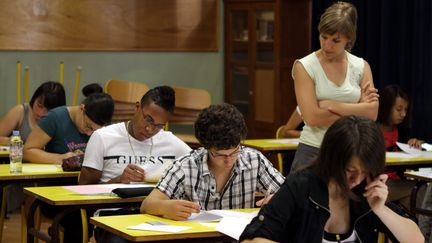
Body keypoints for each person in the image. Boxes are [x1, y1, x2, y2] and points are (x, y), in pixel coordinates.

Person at [239, 115, 424, 243]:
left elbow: (417, 239)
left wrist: (381, 210)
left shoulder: (366, 192)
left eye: (364, 171)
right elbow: (252, 239)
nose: (356, 179)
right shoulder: (301, 186)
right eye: (349, 170)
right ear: (332, 159)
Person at [141, 103, 285, 220]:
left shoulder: (253, 160)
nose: (229, 161)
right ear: (206, 147)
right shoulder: (186, 166)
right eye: (221, 155)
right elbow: (147, 204)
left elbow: (292, 194)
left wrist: (276, 199)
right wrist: (167, 208)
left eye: (235, 152)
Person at [291, 1, 379, 173]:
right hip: (314, 150)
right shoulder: (305, 66)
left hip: (351, 151)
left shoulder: (361, 66)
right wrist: (358, 109)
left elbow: (372, 114)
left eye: (335, 40)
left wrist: (333, 105)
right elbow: (312, 118)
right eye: (323, 37)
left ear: (348, 39)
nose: (327, 45)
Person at [79, 85, 191, 185]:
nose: (150, 129)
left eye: (159, 126)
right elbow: (84, 191)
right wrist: (118, 180)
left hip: (156, 207)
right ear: (137, 107)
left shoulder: (170, 141)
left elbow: (201, 165)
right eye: (148, 119)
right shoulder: (102, 137)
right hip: (112, 207)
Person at [23, 83, 114, 164]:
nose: (88, 133)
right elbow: (27, 152)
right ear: (82, 108)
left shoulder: (106, 127)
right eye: (88, 126)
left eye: (95, 131)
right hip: (58, 179)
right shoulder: (54, 118)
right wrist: (60, 158)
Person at [0, 81, 66, 145]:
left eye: (48, 110)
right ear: (34, 99)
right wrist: (8, 141)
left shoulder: (61, 120)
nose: (41, 113)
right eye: (39, 105)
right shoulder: (20, 111)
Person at [377, 84, 423, 151]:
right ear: (386, 108)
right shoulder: (371, 131)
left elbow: (418, 145)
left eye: (406, 109)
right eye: (399, 109)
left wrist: (416, 144)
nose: (404, 114)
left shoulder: (403, 130)